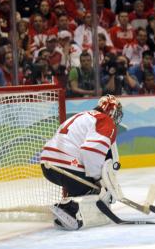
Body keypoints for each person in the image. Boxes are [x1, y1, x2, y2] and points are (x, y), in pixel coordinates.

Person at [40, 95, 123, 230]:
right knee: (95, 189)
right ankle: (69, 209)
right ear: (112, 112)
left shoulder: (82, 115)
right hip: (66, 165)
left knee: (83, 182)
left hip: (48, 165)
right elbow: (90, 150)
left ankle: (69, 204)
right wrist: (98, 179)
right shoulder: (105, 120)